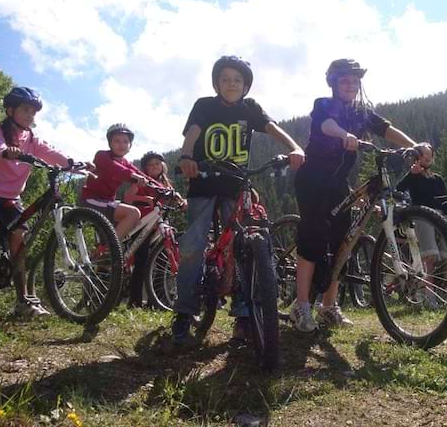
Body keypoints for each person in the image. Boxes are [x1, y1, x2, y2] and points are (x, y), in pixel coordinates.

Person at [173, 55, 305, 346]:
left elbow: (272, 128)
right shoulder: (204, 105)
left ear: (246, 85)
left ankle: (245, 313)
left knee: (245, 247)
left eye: (237, 80)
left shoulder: (251, 108)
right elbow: (193, 133)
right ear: (216, 83)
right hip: (204, 182)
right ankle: (184, 313)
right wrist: (186, 157)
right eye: (225, 79)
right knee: (194, 245)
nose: (231, 84)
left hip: (236, 184)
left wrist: (295, 147)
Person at [290, 59, 428, 333]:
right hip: (313, 178)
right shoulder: (323, 105)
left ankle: (328, 308)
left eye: (355, 81)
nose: (351, 85)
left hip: (338, 183)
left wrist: (415, 146)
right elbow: (326, 125)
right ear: (333, 83)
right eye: (345, 80)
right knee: (313, 236)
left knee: (344, 240)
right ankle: (301, 306)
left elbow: (386, 130)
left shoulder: (363, 112)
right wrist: (345, 135)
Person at [0, 87, 73, 318]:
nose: (30, 115)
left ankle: (23, 302)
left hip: (12, 197)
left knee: (19, 241)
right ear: (10, 110)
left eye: (33, 112)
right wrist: (7, 151)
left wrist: (72, 162)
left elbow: (49, 151)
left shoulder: (31, 138)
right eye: (25, 110)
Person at [123, 151, 185, 308]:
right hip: (142, 223)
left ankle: (157, 301)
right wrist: (145, 199)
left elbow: (175, 197)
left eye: (157, 163)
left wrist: (182, 202)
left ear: (163, 166)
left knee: (162, 262)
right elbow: (127, 198)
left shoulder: (165, 184)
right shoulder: (142, 182)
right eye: (150, 165)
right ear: (145, 168)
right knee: (141, 261)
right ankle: (135, 302)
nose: (154, 167)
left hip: (160, 225)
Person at [396, 143, 447, 308]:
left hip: (439, 218)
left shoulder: (437, 179)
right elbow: (399, 190)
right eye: (424, 155)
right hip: (422, 217)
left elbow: (445, 200)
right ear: (417, 157)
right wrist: (411, 174)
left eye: (430, 155)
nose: (427, 158)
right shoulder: (413, 176)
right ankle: (429, 297)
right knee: (429, 257)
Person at [80, 123, 148, 241]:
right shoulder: (102, 155)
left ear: (130, 145)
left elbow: (144, 177)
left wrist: (166, 189)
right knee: (133, 213)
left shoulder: (126, 163)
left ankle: (104, 252)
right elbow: (115, 169)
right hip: (92, 200)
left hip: (108, 202)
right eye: (117, 141)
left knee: (127, 229)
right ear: (110, 144)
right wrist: (132, 175)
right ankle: (111, 251)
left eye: (125, 141)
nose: (121, 144)